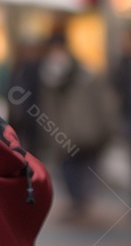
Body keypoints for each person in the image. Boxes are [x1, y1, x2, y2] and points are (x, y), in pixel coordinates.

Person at [34, 32, 120, 221]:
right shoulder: (48, 77)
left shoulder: (87, 75)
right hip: (62, 134)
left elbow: (103, 103)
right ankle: (77, 202)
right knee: (68, 171)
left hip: (88, 133)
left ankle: (82, 202)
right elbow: (47, 107)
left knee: (85, 169)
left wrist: (107, 127)